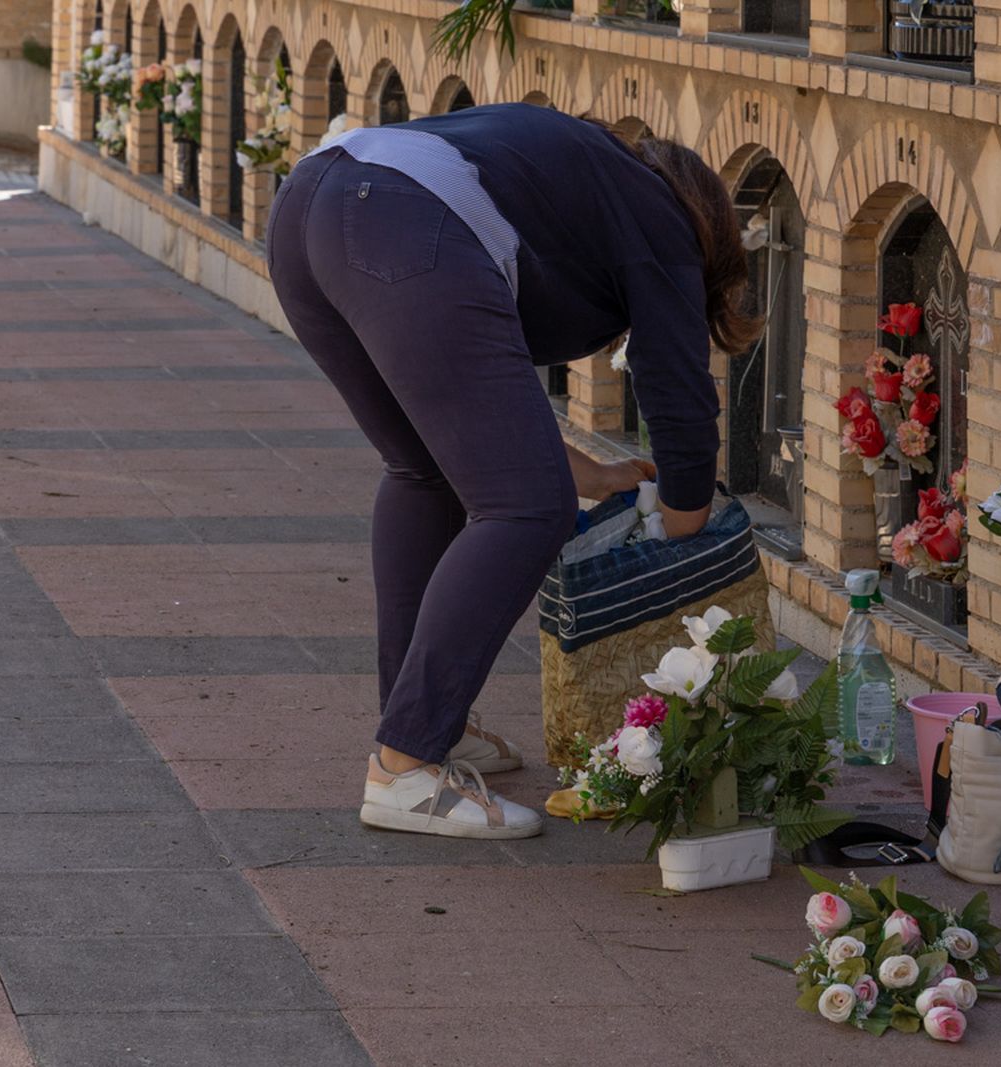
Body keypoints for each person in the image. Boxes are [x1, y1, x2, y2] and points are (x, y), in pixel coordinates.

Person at [264, 103, 756, 840]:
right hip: (398, 219)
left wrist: (587, 471)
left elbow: (469, 386)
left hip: (311, 203)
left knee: (423, 468)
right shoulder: (661, 216)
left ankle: (429, 726)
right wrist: (683, 517)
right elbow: (676, 386)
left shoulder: (575, 176)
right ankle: (405, 766)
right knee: (528, 508)